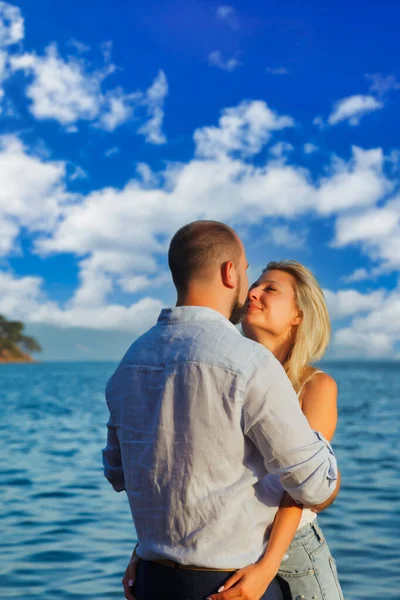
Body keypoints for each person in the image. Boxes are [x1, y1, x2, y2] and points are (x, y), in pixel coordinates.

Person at [102, 221, 340, 600]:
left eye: (270, 288)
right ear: (231, 273)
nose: (254, 290)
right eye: (251, 276)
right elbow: (314, 486)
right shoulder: (248, 365)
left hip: (173, 577)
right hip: (227, 576)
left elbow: (123, 472)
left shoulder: (128, 363)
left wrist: (151, 551)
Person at [212, 261, 344, 600]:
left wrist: (269, 563)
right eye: (254, 285)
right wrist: (149, 549)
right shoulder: (227, 378)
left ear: (299, 314)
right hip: (225, 548)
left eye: (270, 288)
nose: (252, 292)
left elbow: (300, 487)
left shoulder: (315, 387)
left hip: (292, 556)